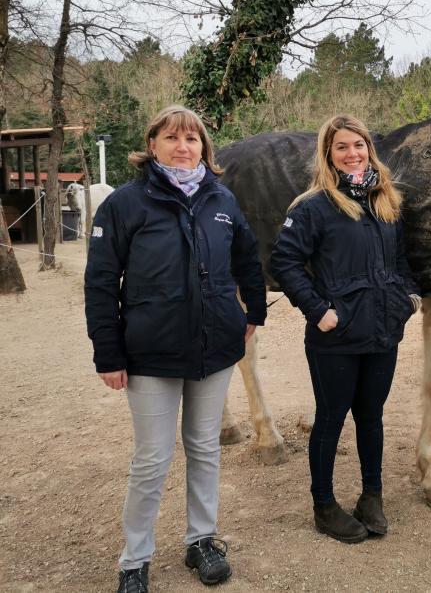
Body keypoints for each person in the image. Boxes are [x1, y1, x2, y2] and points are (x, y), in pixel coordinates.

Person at [84, 105, 267, 592]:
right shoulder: (125, 204)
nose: (183, 147)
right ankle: (134, 559)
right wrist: (109, 353)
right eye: (172, 137)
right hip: (150, 354)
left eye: (192, 139)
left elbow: (249, 260)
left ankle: (201, 541)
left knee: (205, 448)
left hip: (213, 349)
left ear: (205, 148)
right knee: (152, 458)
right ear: (152, 145)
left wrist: (252, 314)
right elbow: (101, 282)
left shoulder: (222, 199)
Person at [270, 114, 420, 544]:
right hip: (335, 337)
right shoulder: (314, 207)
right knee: (332, 418)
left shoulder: (386, 202)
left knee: (371, 416)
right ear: (328, 155)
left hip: (382, 331)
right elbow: (284, 262)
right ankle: (324, 505)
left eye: (359, 145)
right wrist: (318, 311)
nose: (352, 153)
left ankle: (372, 496)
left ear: (369, 150)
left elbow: (401, 260)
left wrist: (408, 299)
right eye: (342, 147)